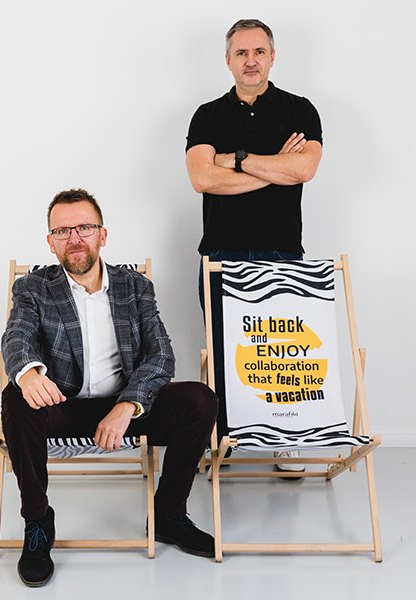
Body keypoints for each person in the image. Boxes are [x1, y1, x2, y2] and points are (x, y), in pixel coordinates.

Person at [0, 189, 218, 587]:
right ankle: (37, 522)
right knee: (16, 396)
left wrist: (127, 406)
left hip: (124, 412)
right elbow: (17, 337)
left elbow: (161, 355)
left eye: (84, 227)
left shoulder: (135, 286)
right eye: (62, 231)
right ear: (50, 242)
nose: (74, 238)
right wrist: (29, 374)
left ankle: (169, 515)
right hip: (63, 407)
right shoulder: (33, 288)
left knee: (199, 400)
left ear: (102, 234)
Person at [185, 19, 323, 473]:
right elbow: (201, 177)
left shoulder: (300, 109)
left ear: (272, 57)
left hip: (282, 249)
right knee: (225, 351)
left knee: (284, 350)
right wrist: (275, 168)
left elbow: (304, 171)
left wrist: (236, 160)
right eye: (241, 53)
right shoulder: (207, 115)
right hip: (220, 253)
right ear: (228, 61)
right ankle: (221, 438)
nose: (250, 61)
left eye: (259, 52)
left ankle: (287, 440)